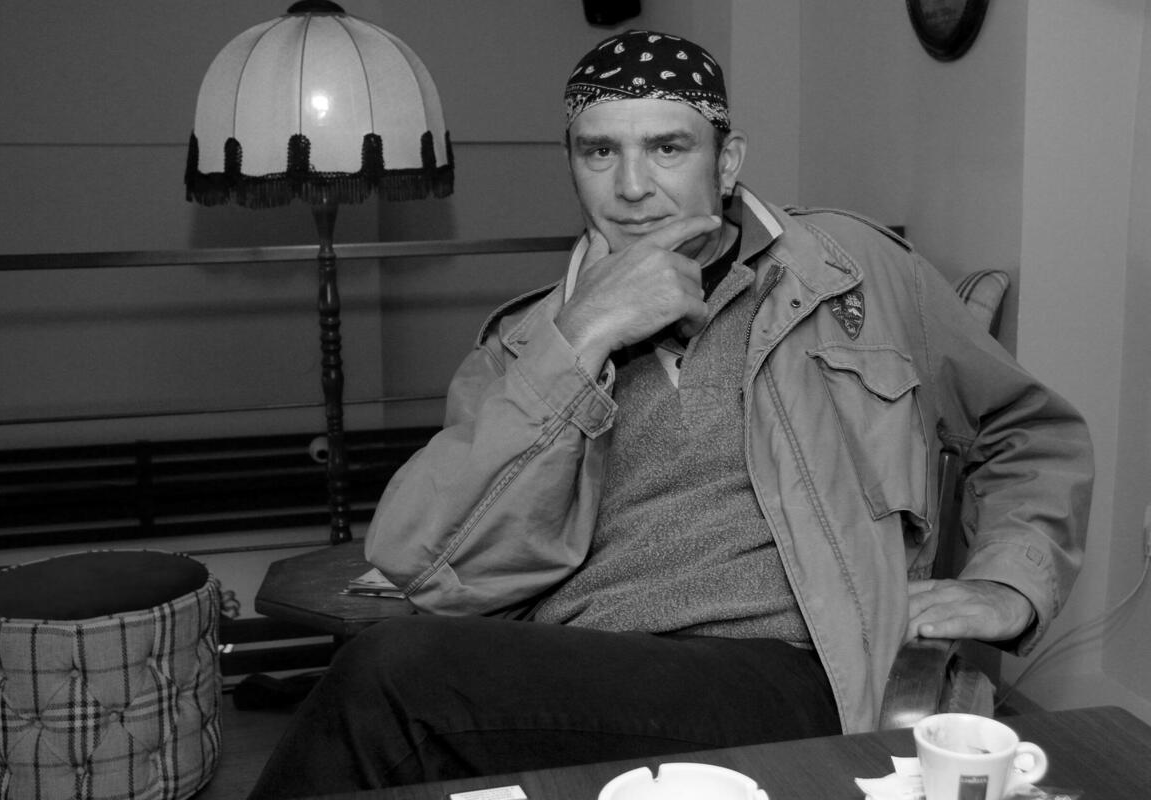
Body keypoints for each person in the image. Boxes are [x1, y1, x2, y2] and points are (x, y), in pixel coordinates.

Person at [250, 29, 1091, 797]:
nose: (631, 187)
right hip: (570, 681)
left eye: (667, 147)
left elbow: (1026, 431)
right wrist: (586, 334)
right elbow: (424, 565)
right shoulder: (523, 343)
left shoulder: (850, 270)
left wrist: (1007, 585)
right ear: (571, 163)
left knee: (390, 679)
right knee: (394, 677)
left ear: (727, 163)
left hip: (797, 671)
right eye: (599, 151)